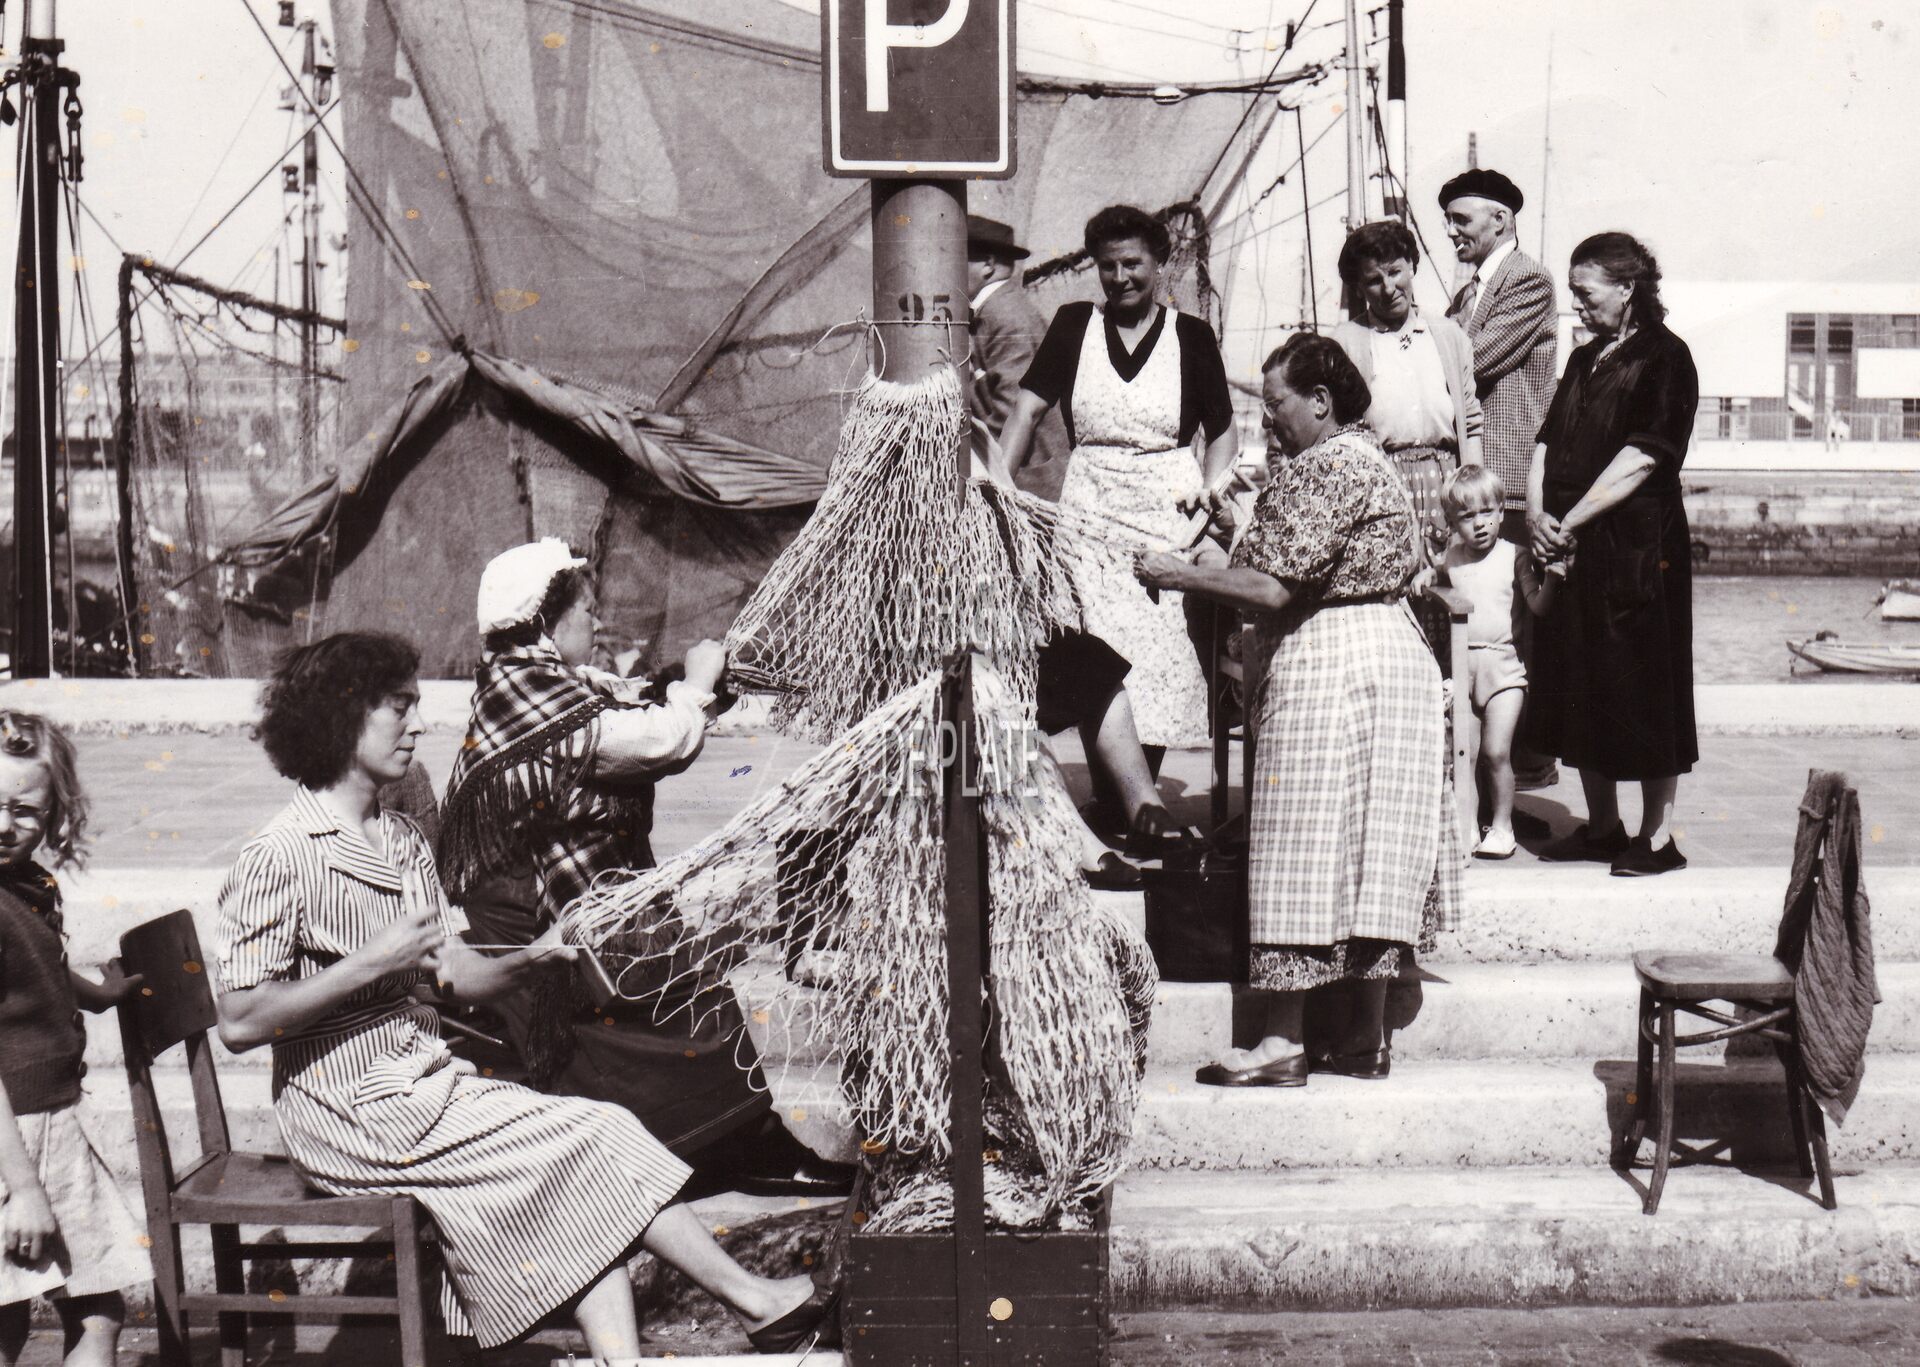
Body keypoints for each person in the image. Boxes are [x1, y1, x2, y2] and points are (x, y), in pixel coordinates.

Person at [213, 633, 835, 1357]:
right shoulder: (280, 854)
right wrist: (370, 962)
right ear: (341, 718)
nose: (418, 724)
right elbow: (239, 1020)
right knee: (590, 1139)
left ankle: (651, 1347)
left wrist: (540, 954)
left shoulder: (402, 838)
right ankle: (757, 1302)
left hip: (422, 1084)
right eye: (399, 708)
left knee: (596, 1138)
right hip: (346, 1112)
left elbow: (453, 975)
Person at [436, 540, 843, 1196]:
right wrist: (697, 687)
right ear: (546, 622)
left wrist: (682, 686)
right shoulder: (530, 693)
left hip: (554, 894)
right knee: (677, 991)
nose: (596, 622)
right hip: (535, 912)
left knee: (686, 973)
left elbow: (622, 704)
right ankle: (727, 1145)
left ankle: (731, 1140)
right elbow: (657, 741)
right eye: (586, 610)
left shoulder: (529, 680)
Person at [1134, 334, 1458, 1087]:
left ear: (1320, 400)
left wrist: (1177, 573)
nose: (1268, 420)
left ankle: (1281, 1042)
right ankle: (1365, 1038)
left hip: (1332, 665)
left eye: (1276, 404)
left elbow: (1274, 589)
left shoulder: (1323, 467)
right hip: (1392, 660)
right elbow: (1300, 558)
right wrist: (1233, 534)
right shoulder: (1366, 458)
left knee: (1299, 847)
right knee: (1374, 852)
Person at [996, 203, 1240, 767]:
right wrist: (998, 491)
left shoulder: (1192, 336)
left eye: (1132, 264)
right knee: (1095, 648)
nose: (1120, 277)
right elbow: (1025, 412)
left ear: (1159, 263)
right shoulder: (1073, 325)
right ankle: (1118, 795)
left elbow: (1223, 434)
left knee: (1158, 656)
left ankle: (1136, 792)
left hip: (1166, 515)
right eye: (1108, 266)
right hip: (1091, 514)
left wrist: (1209, 497)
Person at [1526, 232, 1700, 877]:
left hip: (1636, 550)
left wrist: (1567, 521)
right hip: (1574, 548)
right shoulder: (1584, 358)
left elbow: (1644, 457)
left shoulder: (1666, 358)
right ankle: (1602, 828)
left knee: (1647, 685)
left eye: (1585, 292)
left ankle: (1657, 839)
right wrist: (1540, 517)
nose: (1576, 304)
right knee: (1579, 680)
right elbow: (1546, 442)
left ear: (1627, 288)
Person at [0, 713, 149, 1367]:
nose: (3, 826)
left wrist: (97, 994)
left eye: (23, 811)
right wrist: (23, 1189)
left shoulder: (26, 885)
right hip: (12, 1141)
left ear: (55, 815)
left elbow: (38, 963)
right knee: (7, 1323)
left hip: (50, 1125)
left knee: (98, 1311)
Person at [1441, 168, 1561, 799]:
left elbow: (1468, 361)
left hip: (1509, 485)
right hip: (1480, 487)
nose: (1451, 231)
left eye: (1461, 219)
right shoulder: (1469, 291)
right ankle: (1493, 789)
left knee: (1515, 633)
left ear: (1501, 219)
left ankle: (1521, 777)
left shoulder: (1527, 280)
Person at [1332, 219, 1485, 552]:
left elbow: (1471, 424)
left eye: (1395, 272)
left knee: (1449, 576)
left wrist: (1473, 493)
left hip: (1447, 488)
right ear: (1358, 289)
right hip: (1379, 488)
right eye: (1374, 280)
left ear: (1412, 267)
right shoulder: (1345, 342)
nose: (1388, 288)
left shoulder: (1448, 335)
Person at [1438, 467, 1562, 860]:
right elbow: (1432, 577)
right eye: (1467, 516)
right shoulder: (1451, 559)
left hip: (1504, 671)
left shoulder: (1514, 556)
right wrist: (1423, 575)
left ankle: (1503, 826)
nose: (1480, 524)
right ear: (1452, 523)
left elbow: (1538, 606)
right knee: (1466, 756)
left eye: (1487, 512)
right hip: (1463, 669)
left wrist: (1552, 580)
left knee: (1495, 753)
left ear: (1501, 512)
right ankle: (1467, 826)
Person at [966, 214, 1070, 500]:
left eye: (954, 258)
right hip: (1019, 478)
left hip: (1029, 485)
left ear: (988, 264)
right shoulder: (994, 310)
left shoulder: (1006, 316)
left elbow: (1011, 410)